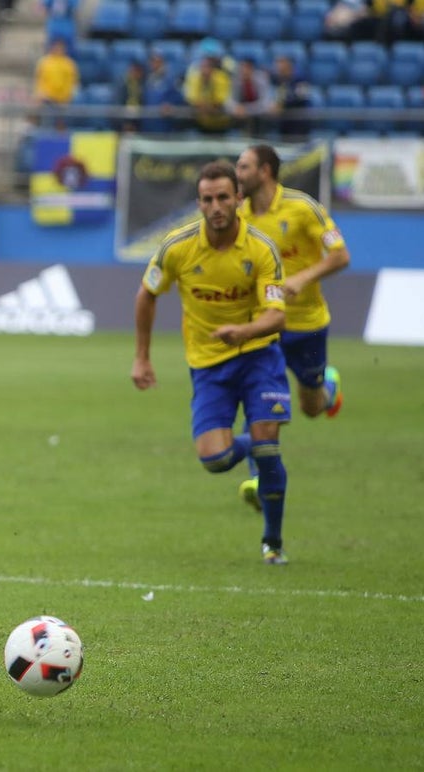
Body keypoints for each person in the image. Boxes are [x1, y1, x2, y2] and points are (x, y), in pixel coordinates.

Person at [131, 161, 293, 565]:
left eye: (223, 197)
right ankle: (254, 443)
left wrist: (244, 331)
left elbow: (277, 315)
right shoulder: (178, 247)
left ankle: (272, 543)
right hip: (208, 366)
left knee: (269, 450)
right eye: (207, 199)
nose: (216, 206)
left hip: (259, 357)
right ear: (199, 203)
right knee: (216, 460)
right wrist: (141, 357)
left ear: (239, 197)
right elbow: (146, 295)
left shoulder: (261, 248)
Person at [235, 145, 349, 517]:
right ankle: (258, 478)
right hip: (266, 326)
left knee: (311, 407)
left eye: (244, 166)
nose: (238, 172)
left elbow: (340, 255)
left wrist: (302, 277)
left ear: (265, 171)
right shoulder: (239, 215)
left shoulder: (303, 208)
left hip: (307, 325)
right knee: (259, 404)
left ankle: (326, 388)